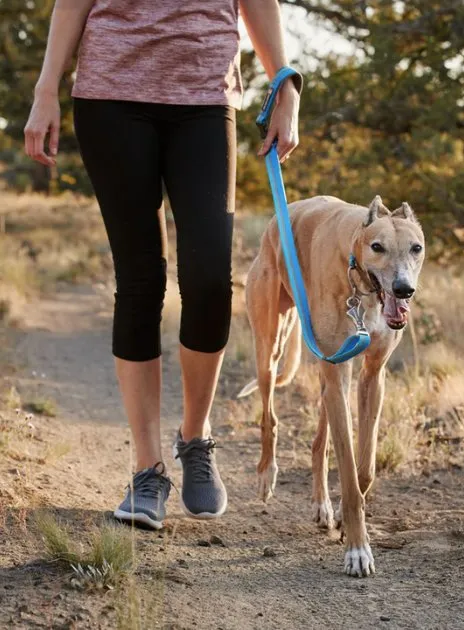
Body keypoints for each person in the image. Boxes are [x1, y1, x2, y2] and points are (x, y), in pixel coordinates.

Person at [25, 0, 301, 530]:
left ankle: (194, 439)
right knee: (140, 279)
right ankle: (146, 469)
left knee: (208, 280)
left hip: (205, 97)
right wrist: (45, 89)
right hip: (110, 96)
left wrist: (284, 81)